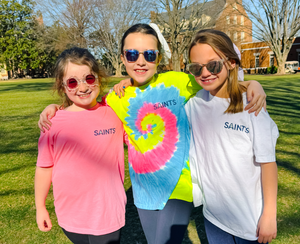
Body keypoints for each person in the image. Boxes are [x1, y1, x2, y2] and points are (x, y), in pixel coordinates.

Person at [38, 24, 267, 244]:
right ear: (122, 58)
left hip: (178, 184)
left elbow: (218, 81)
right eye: (132, 55)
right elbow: (87, 109)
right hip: (143, 188)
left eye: (148, 54)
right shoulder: (116, 97)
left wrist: (251, 83)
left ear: (158, 58)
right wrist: (55, 108)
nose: (140, 61)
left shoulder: (179, 82)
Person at [185, 29, 278, 244]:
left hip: (251, 221)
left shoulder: (252, 106)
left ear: (232, 62)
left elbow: (268, 163)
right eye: (195, 68)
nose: (205, 73)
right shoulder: (194, 105)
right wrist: (128, 83)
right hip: (214, 217)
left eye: (213, 65)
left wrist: (269, 215)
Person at [35, 47, 126, 244]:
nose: (82, 87)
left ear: (99, 78)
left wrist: (127, 82)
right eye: (73, 82)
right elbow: (44, 167)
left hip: (107, 212)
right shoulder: (52, 122)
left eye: (89, 79)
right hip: (70, 215)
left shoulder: (115, 112)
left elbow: (139, 96)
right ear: (63, 86)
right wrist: (40, 207)